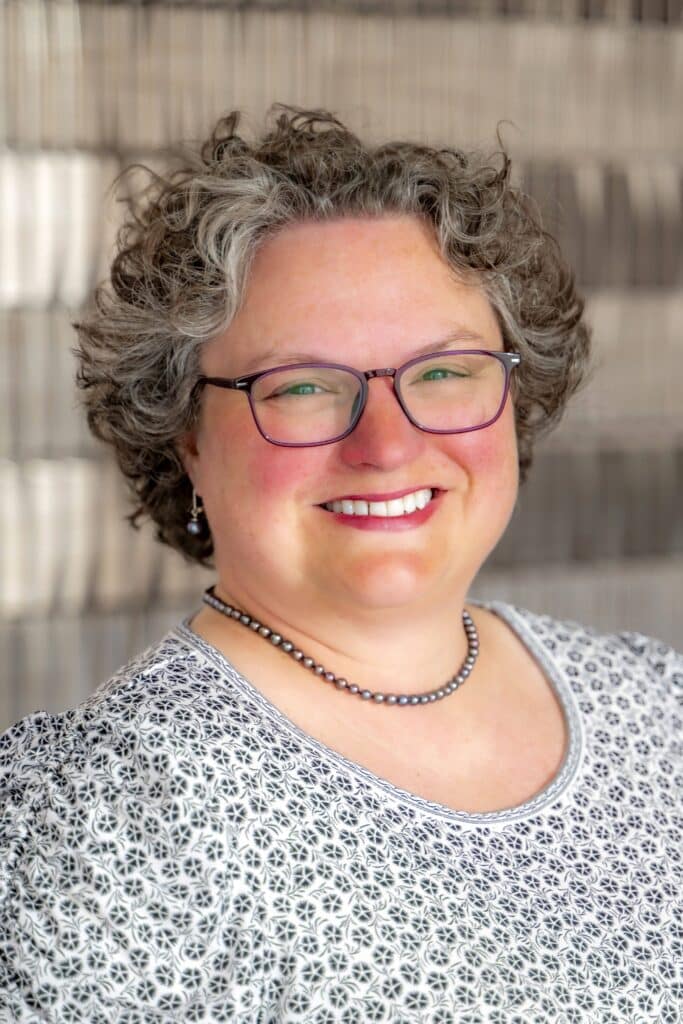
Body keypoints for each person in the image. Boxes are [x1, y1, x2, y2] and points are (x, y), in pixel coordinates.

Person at [0, 104, 680, 1024]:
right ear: (184, 434)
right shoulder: (99, 818)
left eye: (443, 372)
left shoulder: (659, 710)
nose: (388, 445)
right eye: (304, 387)